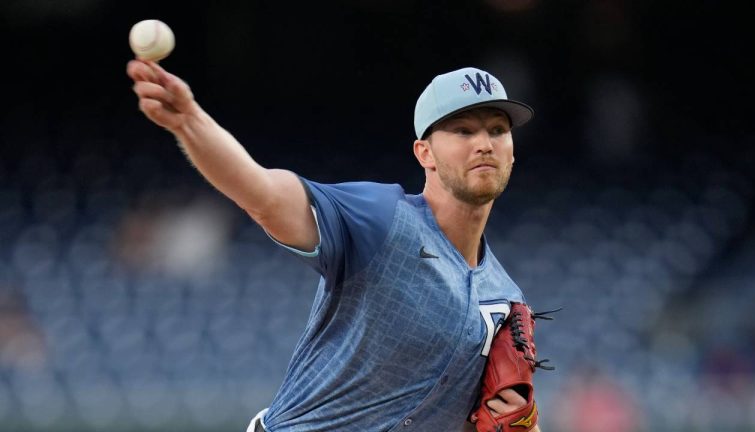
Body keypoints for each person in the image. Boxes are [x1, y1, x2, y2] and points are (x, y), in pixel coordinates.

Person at [127, 60, 542, 432]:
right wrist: (190, 122)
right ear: (425, 153)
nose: (484, 143)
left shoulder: (503, 301)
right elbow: (264, 194)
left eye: (497, 130)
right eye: (464, 130)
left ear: (511, 152)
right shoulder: (380, 218)